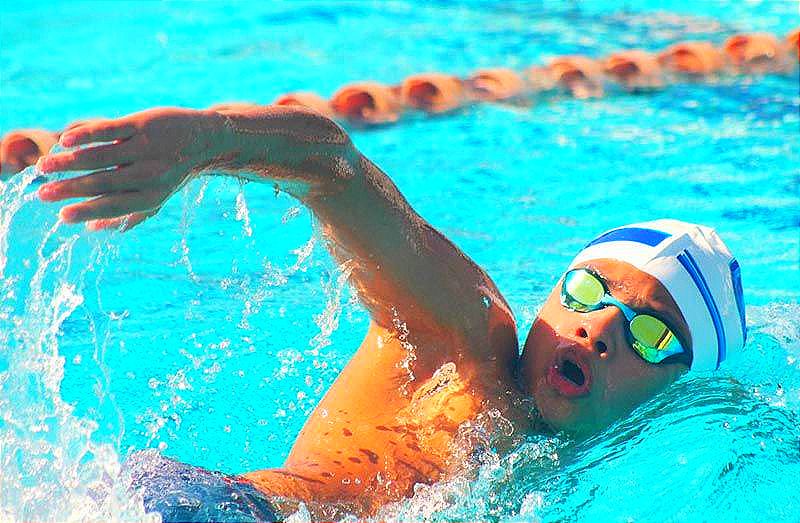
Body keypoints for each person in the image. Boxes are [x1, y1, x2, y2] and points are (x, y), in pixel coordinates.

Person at [33, 105, 746, 521]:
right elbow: (336, 169)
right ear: (552, 296)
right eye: (588, 290)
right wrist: (207, 141)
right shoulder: (470, 333)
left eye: (651, 333)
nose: (602, 327)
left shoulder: (582, 461)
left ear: (674, 388)